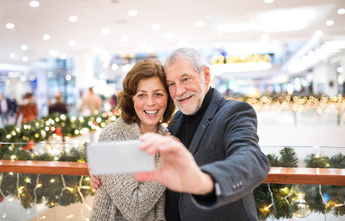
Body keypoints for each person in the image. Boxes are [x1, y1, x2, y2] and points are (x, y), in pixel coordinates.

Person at [91, 47, 270, 221]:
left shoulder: (234, 113)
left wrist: (206, 182)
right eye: (171, 84)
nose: (179, 91)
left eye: (185, 79)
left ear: (206, 75)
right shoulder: (174, 123)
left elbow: (251, 159)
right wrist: (101, 166)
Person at [89, 59, 176, 221]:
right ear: (131, 99)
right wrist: (166, 161)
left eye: (158, 94)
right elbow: (133, 208)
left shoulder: (168, 135)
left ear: (168, 98)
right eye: (141, 95)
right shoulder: (112, 137)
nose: (150, 102)